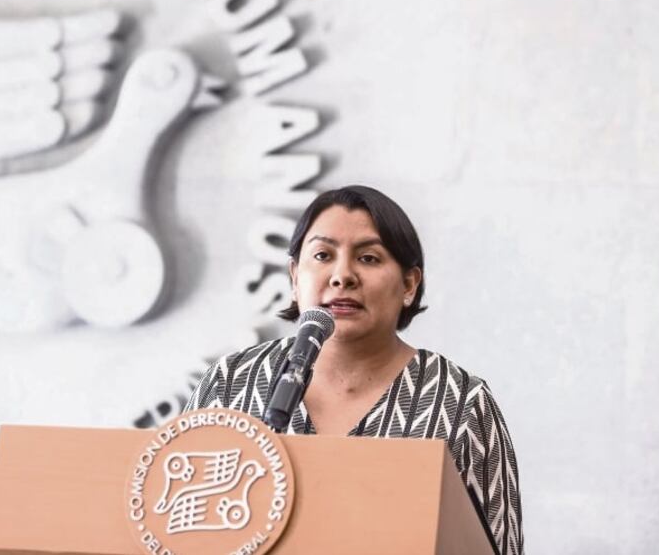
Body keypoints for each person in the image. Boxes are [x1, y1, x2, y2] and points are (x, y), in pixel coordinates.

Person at [185, 185, 523, 554]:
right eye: (322, 255)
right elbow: (171, 521)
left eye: (369, 258)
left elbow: (499, 546)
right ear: (295, 277)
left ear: (409, 284)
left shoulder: (459, 401)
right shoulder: (232, 382)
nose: (342, 276)